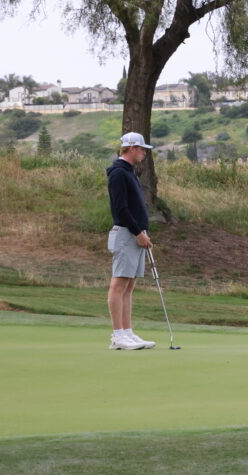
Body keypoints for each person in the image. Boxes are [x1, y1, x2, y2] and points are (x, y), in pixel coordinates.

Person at [106, 132, 157, 351]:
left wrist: (142, 232)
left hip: (136, 234)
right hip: (127, 234)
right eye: (142, 149)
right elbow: (120, 209)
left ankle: (127, 332)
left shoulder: (129, 172)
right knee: (119, 284)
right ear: (132, 148)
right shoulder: (118, 173)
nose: (144, 153)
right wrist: (138, 232)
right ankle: (118, 335)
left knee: (129, 286)